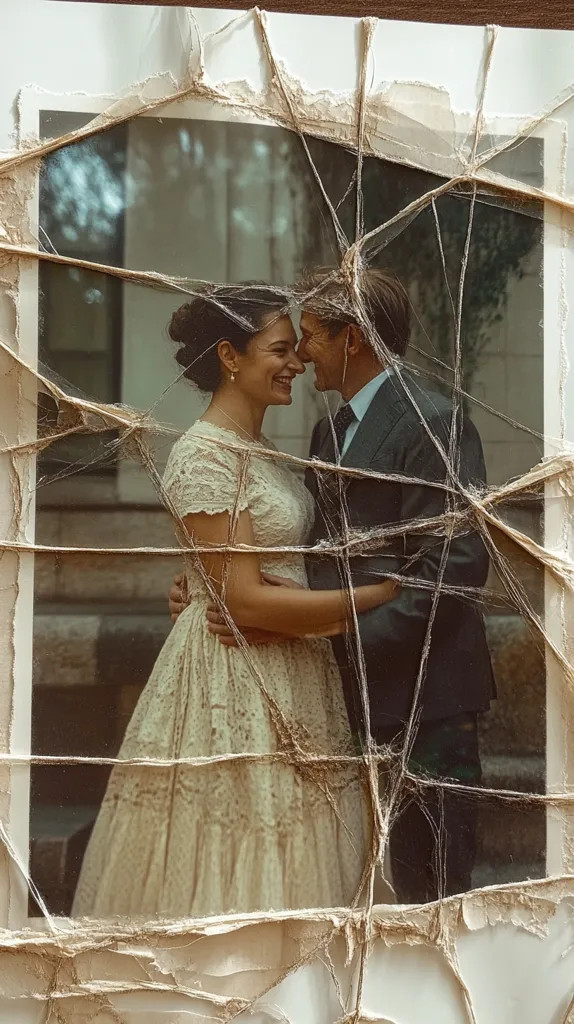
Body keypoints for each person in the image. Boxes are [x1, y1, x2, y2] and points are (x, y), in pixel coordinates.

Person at [72, 284, 400, 919]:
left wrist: (199, 587)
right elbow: (244, 601)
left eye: (297, 349)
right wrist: (376, 595)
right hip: (233, 678)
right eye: (279, 349)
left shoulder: (266, 451)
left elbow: (238, 571)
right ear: (230, 355)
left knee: (305, 852)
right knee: (238, 853)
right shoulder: (203, 452)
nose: (297, 362)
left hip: (296, 673)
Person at [169, 268, 496, 905]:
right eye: (289, 344)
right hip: (348, 696)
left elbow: (455, 568)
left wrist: (331, 633)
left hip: (425, 700)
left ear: (354, 341)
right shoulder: (329, 432)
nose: (303, 354)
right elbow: (311, 550)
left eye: (312, 337)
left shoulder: (433, 420)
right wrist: (208, 580)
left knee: (430, 891)